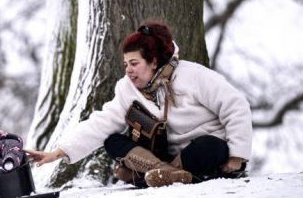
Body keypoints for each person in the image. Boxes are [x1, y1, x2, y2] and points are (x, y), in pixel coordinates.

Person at [25, 21, 252, 188]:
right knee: (113, 141)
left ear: (153, 61)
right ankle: (166, 174)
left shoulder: (194, 75)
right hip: (163, 157)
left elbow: (236, 106)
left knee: (211, 147)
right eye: (126, 64)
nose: (128, 70)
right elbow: (101, 123)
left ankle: (152, 176)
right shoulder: (127, 88)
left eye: (134, 63)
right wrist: (58, 152)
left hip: (200, 153)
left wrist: (237, 157)